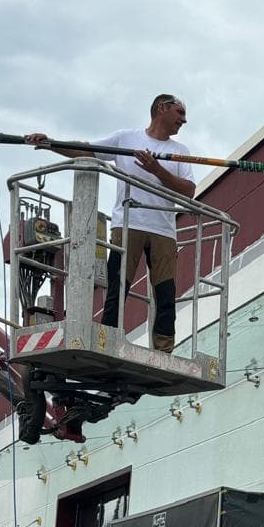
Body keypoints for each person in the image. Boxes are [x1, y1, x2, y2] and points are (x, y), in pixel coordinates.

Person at [25, 95, 197, 353]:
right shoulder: (125, 139)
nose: (184, 120)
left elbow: (188, 191)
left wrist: (157, 170)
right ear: (162, 108)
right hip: (128, 224)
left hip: (163, 229)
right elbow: (87, 150)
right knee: (117, 286)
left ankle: (164, 349)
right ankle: (108, 340)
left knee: (165, 292)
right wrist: (51, 144)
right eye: (180, 112)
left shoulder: (181, 151)